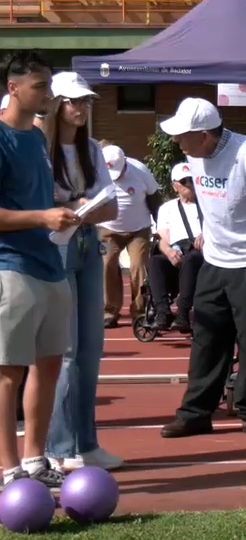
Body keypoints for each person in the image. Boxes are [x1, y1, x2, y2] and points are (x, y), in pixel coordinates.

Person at [158, 97, 246, 440]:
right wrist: (206, 231)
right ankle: (195, 412)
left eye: (183, 135)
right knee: (206, 339)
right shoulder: (194, 154)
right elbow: (212, 202)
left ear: (205, 135)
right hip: (215, 261)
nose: (177, 141)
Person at [0, 49, 78, 489]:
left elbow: (36, 201)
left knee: (49, 365)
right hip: (11, 266)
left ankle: (34, 459)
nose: (49, 94)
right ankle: (8, 468)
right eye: (40, 86)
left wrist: (65, 211)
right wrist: (43, 217)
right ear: (14, 88)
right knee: (9, 369)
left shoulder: (35, 137)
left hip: (50, 263)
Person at [39, 71, 122, 472]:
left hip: (88, 246)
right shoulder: (38, 147)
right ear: (55, 103)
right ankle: (60, 445)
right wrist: (77, 205)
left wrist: (82, 207)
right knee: (66, 352)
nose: (81, 107)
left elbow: (112, 207)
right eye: (73, 101)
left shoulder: (90, 148)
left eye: (85, 100)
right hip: (54, 251)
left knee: (91, 350)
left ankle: (85, 443)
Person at [98, 144, 163, 328]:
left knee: (138, 266)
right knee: (107, 263)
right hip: (108, 228)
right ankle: (110, 311)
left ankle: (140, 312)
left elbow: (155, 201)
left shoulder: (141, 171)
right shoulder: (97, 173)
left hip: (138, 229)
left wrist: (162, 229)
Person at [149, 162, 204, 331]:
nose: (190, 184)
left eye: (192, 180)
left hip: (200, 254)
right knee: (156, 262)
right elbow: (162, 236)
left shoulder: (206, 205)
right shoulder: (167, 208)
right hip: (176, 250)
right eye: (185, 181)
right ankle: (162, 312)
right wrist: (169, 251)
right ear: (175, 186)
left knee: (191, 259)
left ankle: (183, 313)